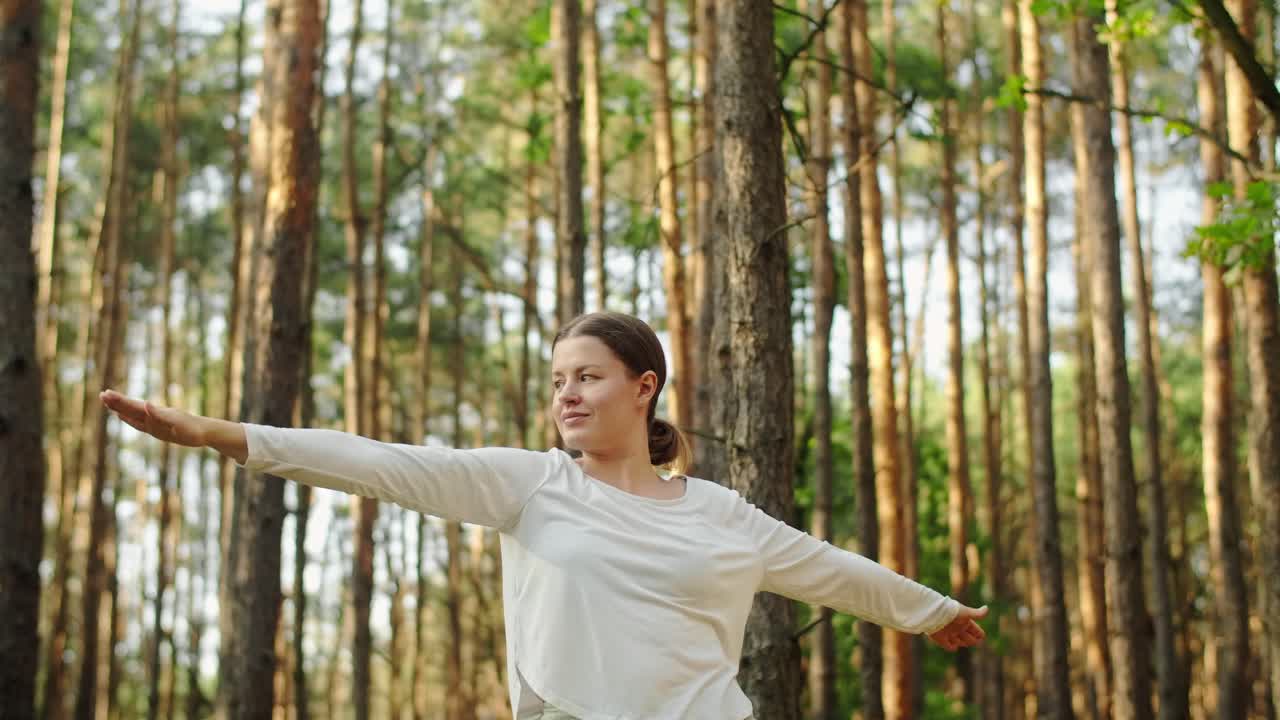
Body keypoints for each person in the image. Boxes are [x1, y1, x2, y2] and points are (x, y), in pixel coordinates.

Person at [101, 311, 987, 720]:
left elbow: (829, 569)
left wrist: (931, 609)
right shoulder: (531, 484)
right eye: (558, 379)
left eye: (588, 376)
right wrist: (219, 433)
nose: (567, 393)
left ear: (644, 389)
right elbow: (380, 465)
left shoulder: (722, 513)